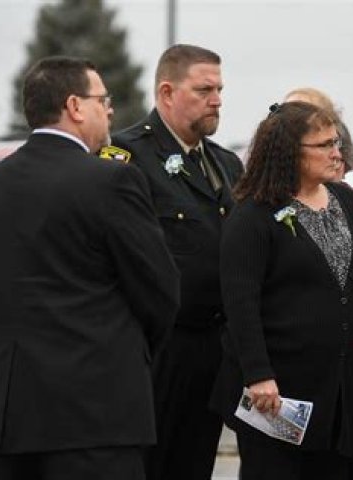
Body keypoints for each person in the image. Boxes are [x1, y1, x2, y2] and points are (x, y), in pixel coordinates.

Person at [0, 56, 181, 480]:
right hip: (95, 414)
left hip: (10, 416)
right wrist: (127, 355)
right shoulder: (112, 181)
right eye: (103, 100)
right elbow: (160, 292)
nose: (110, 111)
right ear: (74, 106)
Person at [210, 101, 353, 480]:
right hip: (278, 392)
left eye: (337, 143)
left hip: (340, 389)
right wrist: (258, 374)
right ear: (290, 152)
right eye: (325, 145)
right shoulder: (253, 216)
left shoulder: (345, 200)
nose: (337, 153)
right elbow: (240, 303)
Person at [110, 44, 244, 480]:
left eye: (219, 89)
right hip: (159, 349)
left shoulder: (225, 164)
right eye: (204, 90)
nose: (217, 100)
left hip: (214, 347)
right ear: (167, 93)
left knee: (195, 463)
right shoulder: (126, 157)